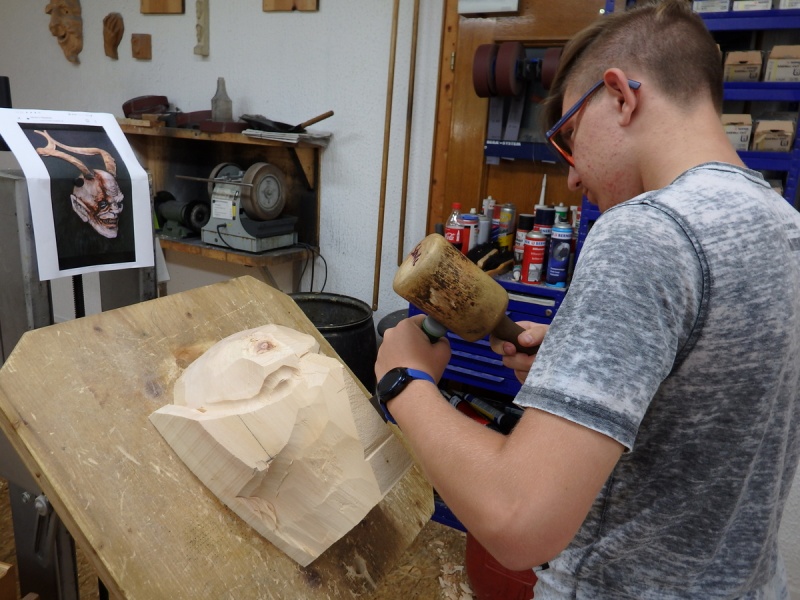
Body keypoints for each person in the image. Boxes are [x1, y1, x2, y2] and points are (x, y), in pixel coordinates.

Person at [374, 0, 800, 597]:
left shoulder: (646, 232)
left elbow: (518, 521)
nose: (572, 176)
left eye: (570, 137)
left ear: (621, 95)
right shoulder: (784, 225)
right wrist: (583, 364)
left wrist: (404, 381)